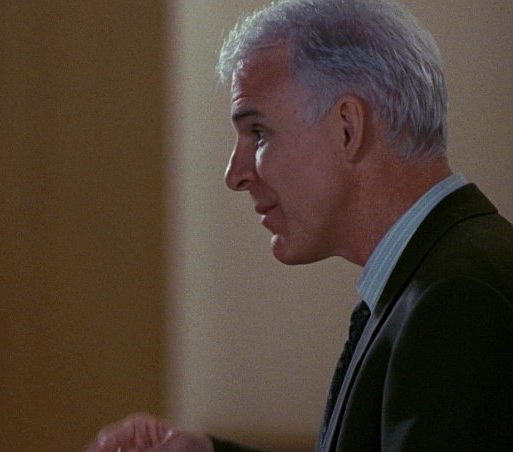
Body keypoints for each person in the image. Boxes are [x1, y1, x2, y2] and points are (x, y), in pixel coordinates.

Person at [88, 0, 513, 451]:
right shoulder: (435, 279)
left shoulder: (457, 301)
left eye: (258, 133)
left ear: (348, 128)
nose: (234, 174)